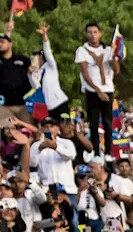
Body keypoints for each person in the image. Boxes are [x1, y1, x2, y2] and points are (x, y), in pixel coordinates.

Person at [75, 21, 119, 157]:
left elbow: (116, 70)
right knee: (93, 123)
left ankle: (108, 151)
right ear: (86, 34)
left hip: (107, 88)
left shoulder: (106, 50)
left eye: (95, 32)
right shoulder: (82, 51)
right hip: (92, 90)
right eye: (90, 32)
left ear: (100, 34)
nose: (93, 35)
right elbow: (85, 73)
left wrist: (113, 56)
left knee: (107, 123)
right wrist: (97, 90)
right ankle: (95, 151)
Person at [28, 23, 71, 121]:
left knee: (65, 127)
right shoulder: (38, 71)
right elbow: (35, 86)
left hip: (60, 102)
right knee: (54, 130)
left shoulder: (50, 66)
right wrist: (30, 74)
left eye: (37, 56)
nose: (34, 58)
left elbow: (48, 52)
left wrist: (44, 35)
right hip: (49, 107)